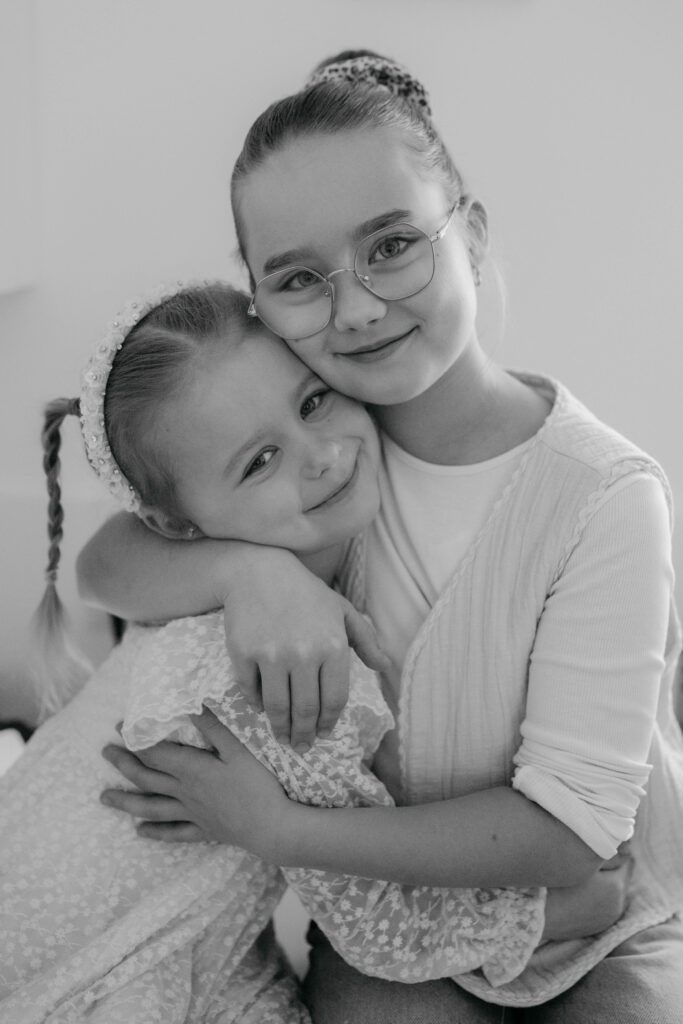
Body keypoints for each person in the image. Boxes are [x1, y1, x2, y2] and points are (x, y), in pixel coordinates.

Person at [79, 53, 683, 1022]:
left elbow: (569, 834)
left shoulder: (604, 496)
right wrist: (248, 576)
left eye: (393, 244)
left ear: (469, 234)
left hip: (604, 916)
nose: (355, 308)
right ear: (258, 303)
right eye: (299, 278)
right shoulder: (314, 462)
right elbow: (106, 562)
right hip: (395, 914)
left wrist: (279, 829)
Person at [3, 281, 600, 1024]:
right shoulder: (283, 671)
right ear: (176, 525)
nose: (318, 456)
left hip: (171, 935)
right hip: (82, 965)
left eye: (314, 402)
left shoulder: (209, 590)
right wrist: (562, 911)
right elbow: (379, 918)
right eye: (259, 461)